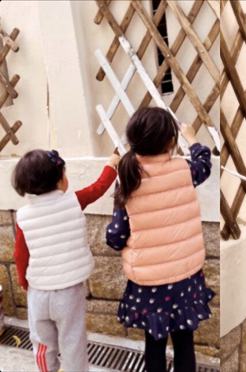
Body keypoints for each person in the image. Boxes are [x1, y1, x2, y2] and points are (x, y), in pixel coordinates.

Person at [105, 107, 214, 372]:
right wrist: (192, 137)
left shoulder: (128, 178)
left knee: (154, 345)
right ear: (170, 142)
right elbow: (204, 162)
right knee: (184, 342)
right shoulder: (184, 169)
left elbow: (116, 236)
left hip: (149, 285)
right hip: (185, 278)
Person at [12, 148, 119, 371]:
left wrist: (23, 281)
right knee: (73, 342)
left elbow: (20, 255)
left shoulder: (24, 216)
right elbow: (98, 188)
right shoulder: (74, 201)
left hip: (38, 293)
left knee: (42, 342)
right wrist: (112, 164)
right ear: (60, 180)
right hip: (69, 293)